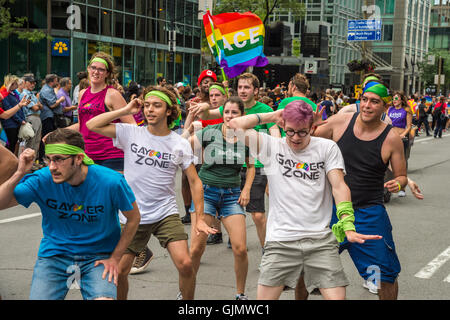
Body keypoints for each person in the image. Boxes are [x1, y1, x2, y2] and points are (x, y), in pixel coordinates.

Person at [228, 100, 382, 300]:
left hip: (320, 241)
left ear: (312, 128)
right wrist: (273, 115)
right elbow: (235, 125)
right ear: (283, 126)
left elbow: (339, 186)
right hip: (280, 241)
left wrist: (348, 224)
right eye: (290, 131)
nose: (295, 138)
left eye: (302, 132)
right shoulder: (271, 146)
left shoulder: (327, 148)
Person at [86, 85, 216, 300]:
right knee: (120, 271)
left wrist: (200, 219)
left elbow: (195, 182)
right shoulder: (131, 133)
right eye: (147, 105)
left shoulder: (178, 143)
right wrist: (125, 110)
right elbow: (92, 124)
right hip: (132, 215)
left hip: (165, 213)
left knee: (185, 264)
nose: (150, 110)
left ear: (168, 111)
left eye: (157, 106)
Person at [0, 128, 141, 300]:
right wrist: (19, 172)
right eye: (49, 159)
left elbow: (134, 218)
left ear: (79, 158)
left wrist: (115, 258)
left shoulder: (111, 181)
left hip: (98, 256)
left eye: (59, 159)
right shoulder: (42, 179)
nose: (52, 167)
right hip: (55, 255)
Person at [309, 80, 407, 300]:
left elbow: (402, 175)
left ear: (385, 107)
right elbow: (304, 141)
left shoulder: (391, 139)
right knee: (307, 269)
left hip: (368, 213)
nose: (367, 105)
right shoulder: (341, 122)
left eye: (374, 102)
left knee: (385, 275)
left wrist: (399, 183)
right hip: (330, 209)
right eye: (364, 100)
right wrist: (312, 127)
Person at [190, 72, 281, 253]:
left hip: (256, 166)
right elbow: (209, 113)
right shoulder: (229, 108)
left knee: (256, 214)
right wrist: (201, 108)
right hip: (230, 164)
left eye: (247, 87)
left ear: (255, 90)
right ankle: (232, 234)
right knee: (224, 200)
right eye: (240, 87)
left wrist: (275, 152)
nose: (242, 90)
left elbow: (275, 132)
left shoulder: (266, 110)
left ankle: (266, 250)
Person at [186, 96, 255, 300]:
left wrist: (246, 189)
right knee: (197, 248)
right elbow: (182, 148)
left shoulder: (247, 137)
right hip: (206, 192)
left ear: (242, 115)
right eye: (227, 112)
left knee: (240, 248)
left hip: (232, 195)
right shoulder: (211, 131)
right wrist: (193, 179)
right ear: (222, 114)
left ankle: (240, 295)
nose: (230, 116)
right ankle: (187, 293)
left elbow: (251, 167)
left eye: (234, 112)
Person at [180, 70, 218, 225]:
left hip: (211, 145)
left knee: (205, 181)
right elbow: (187, 127)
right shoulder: (194, 101)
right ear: (200, 83)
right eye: (204, 81)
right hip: (194, 145)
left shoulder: (218, 101)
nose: (207, 83)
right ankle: (188, 211)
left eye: (210, 81)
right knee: (185, 179)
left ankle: (204, 212)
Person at [388, 91, 412, 197]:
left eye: (396, 98)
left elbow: (409, 126)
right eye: (393, 98)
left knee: (402, 162)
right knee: (388, 162)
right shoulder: (390, 109)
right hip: (390, 137)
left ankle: (402, 188)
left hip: (402, 137)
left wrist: (403, 135)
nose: (394, 100)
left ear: (401, 100)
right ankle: (389, 186)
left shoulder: (406, 110)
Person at [38, 74, 66, 159]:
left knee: (51, 137)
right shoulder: (46, 90)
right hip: (47, 117)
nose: (57, 83)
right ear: (51, 81)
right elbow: (52, 105)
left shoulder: (50, 89)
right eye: (56, 81)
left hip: (50, 116)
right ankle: (44, 157)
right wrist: (61, 100)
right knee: (47, 137)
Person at [0, 75, 29, 154]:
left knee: (13, 145)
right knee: (9, 146)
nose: (18, 86)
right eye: (16, 84)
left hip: (14, 123)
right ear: (11, 84)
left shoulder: (13, 93)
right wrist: (20, 120)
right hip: (9, 124)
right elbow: (7, 113)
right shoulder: (4, 93)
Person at [20, 75, 43, 169]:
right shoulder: (25, 94)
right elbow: (35, 107)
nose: (33, 84)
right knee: (31, 141)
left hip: (37, 117)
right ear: (25, 82)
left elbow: (41, 106)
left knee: (37, 141)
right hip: (31, 117)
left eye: (34, 83)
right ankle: (26, 163)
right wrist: (38, 104)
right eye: (31, 82)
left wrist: (38, 104)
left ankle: (32, 163)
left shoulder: (32, 94)